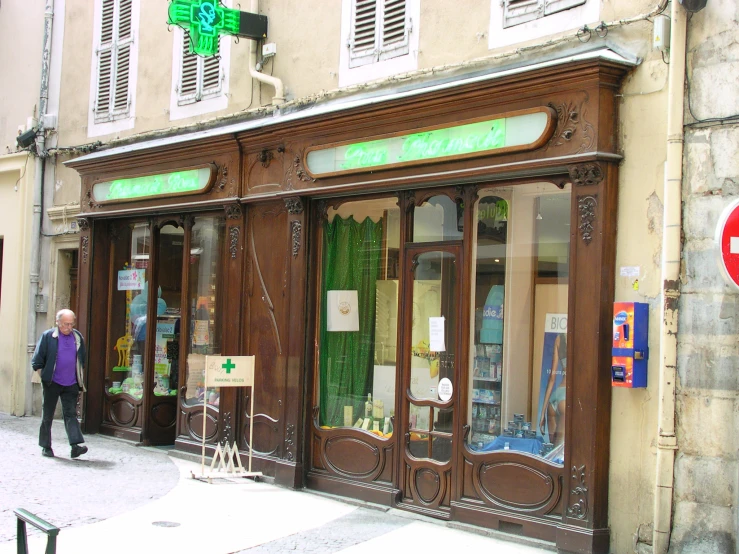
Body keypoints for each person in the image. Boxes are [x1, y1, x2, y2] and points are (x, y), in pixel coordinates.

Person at [31, 309, 89, 458]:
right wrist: (44, 376)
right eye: (65, 324)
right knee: (48, 415)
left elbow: (82, 358)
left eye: (71, 324)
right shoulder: (48, 336)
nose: (68, 327)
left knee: (70, 414)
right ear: (58, 322)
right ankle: (46, 446)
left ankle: (75, 446)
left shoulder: (77, 337)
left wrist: (78, 378)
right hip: (52, 382)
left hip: (71, 383)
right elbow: (37, 361)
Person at [538, 333, 567, 447]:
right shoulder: (581, 338)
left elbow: (552, 378)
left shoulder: (559, 338)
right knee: (559, 452)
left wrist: (542, 414)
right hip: (566, 398)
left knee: (552, 450)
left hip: (554, 397)